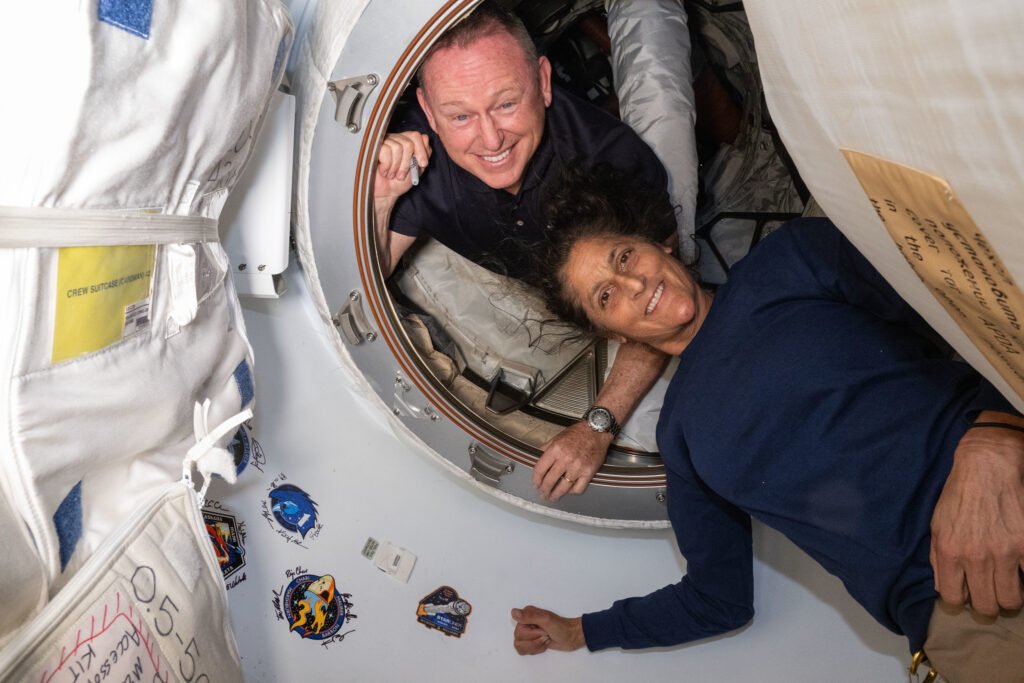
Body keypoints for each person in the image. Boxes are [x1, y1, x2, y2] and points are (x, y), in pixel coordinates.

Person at [510, 166, 1024, 682]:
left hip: (1009, 487)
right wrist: (582, 631)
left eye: (624, 257)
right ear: (611, 334)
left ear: (659, 245)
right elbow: (717, 599)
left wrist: (996, 436)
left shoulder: (791, 259)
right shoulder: (681, 438)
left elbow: (978, 309)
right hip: (964, 614)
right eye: (606, 296)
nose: (634, 282)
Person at [373, 2, 678, 500]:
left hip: (604, 287)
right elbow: (370, 271)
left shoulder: (613, 162)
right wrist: (383, 196)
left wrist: (597, 425)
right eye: (460, 115)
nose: (490, 138)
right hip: (524, 283)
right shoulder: (417, 156)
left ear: (542, 80)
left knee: (663, 100)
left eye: (506, 104)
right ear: (428, 111)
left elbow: (664, 302)